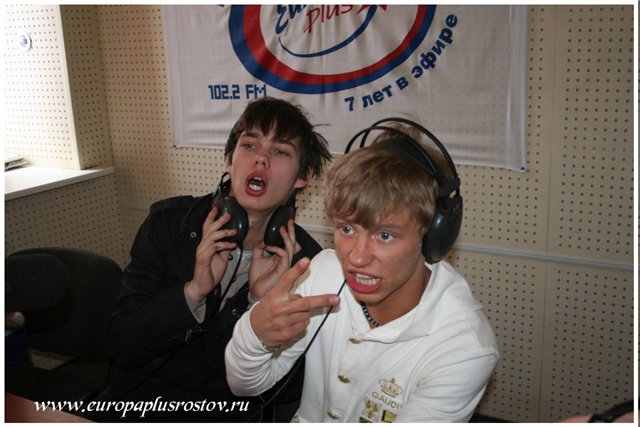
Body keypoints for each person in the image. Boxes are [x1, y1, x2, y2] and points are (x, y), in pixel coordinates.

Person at [225, 119, 500, 422]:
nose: (356, 258)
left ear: (431, 236)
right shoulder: (324, 272)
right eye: (347, 229)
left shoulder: (464, 349)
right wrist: (255, 333)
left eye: (385, 235)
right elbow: (244, 386)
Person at [100, 97, 332, 422]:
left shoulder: (307, 265)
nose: (261, 158)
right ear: (229, 161)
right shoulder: (169, 226)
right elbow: (120, 343)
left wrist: (258, 307)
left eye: (280, 151)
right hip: (141, 404)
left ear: (303, 176)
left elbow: (288, 391)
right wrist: (193, 292)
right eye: (249, 145)